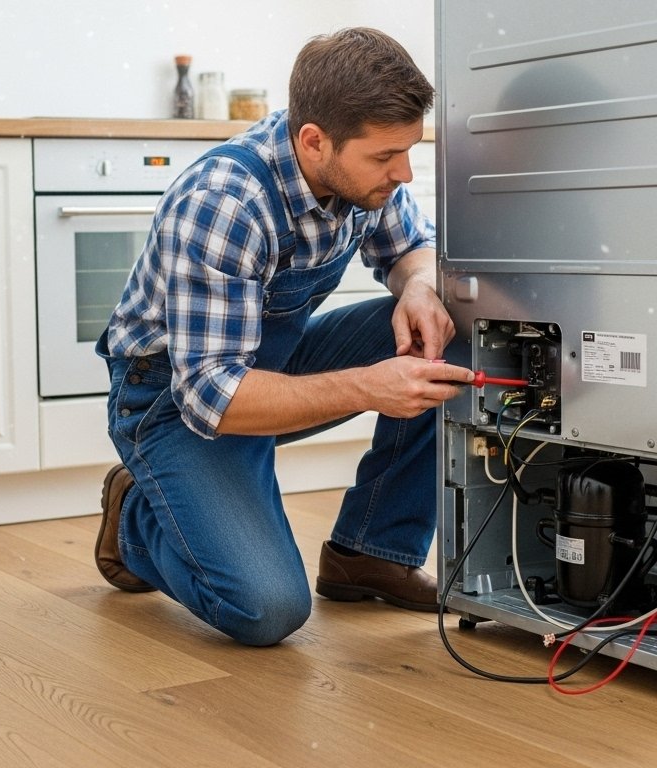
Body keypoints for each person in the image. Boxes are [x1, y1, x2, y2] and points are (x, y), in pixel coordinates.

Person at [94, 26, 474, 647]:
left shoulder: (358, 174)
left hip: (269, 362)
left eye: (408, 150)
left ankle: (372, 552)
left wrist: (416, 287)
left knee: (449, 334)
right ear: (314, 141)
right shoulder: (225, 202)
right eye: (385, 156)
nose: (403, 173)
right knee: (267, 610)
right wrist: (367, 387)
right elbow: (211, 397)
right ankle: (135, 517)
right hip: (176, 401)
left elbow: (413, 247)